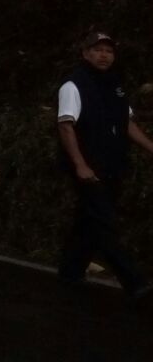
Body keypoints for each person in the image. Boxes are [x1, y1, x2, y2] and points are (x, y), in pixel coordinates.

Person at [56, 32, 153, 298]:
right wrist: (80, 165)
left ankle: (70, 272)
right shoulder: (74, 85)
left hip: (114, 164)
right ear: (85, 53)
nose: (103, 55)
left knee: (87, 221)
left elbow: (128, 123)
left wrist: (150, 147)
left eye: (108, 51)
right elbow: (66, 126)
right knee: (104, 222)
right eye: (97, 50)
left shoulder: (115, 86)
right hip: (89, 167)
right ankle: (135, 281)